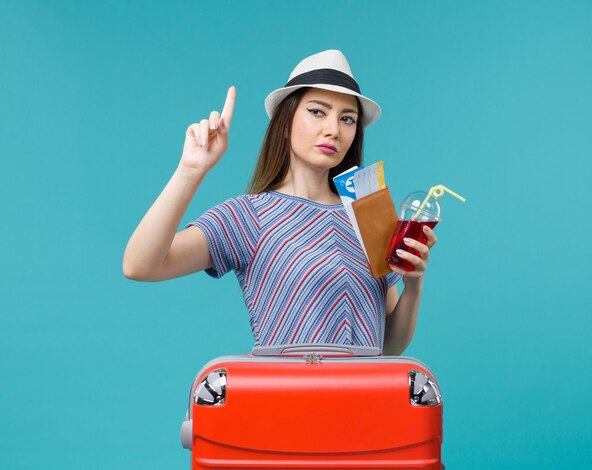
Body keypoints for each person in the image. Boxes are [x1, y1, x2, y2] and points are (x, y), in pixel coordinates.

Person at [123, 50, 437, 355]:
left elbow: (388, 347)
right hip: (286, 403)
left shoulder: (368, 212)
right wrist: (190, 171)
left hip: (367, 403)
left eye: (347, 118)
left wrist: (414, 286)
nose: (333, 130)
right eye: (317, 111)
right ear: (285, 123)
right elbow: (140, 265)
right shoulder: (248, 217)